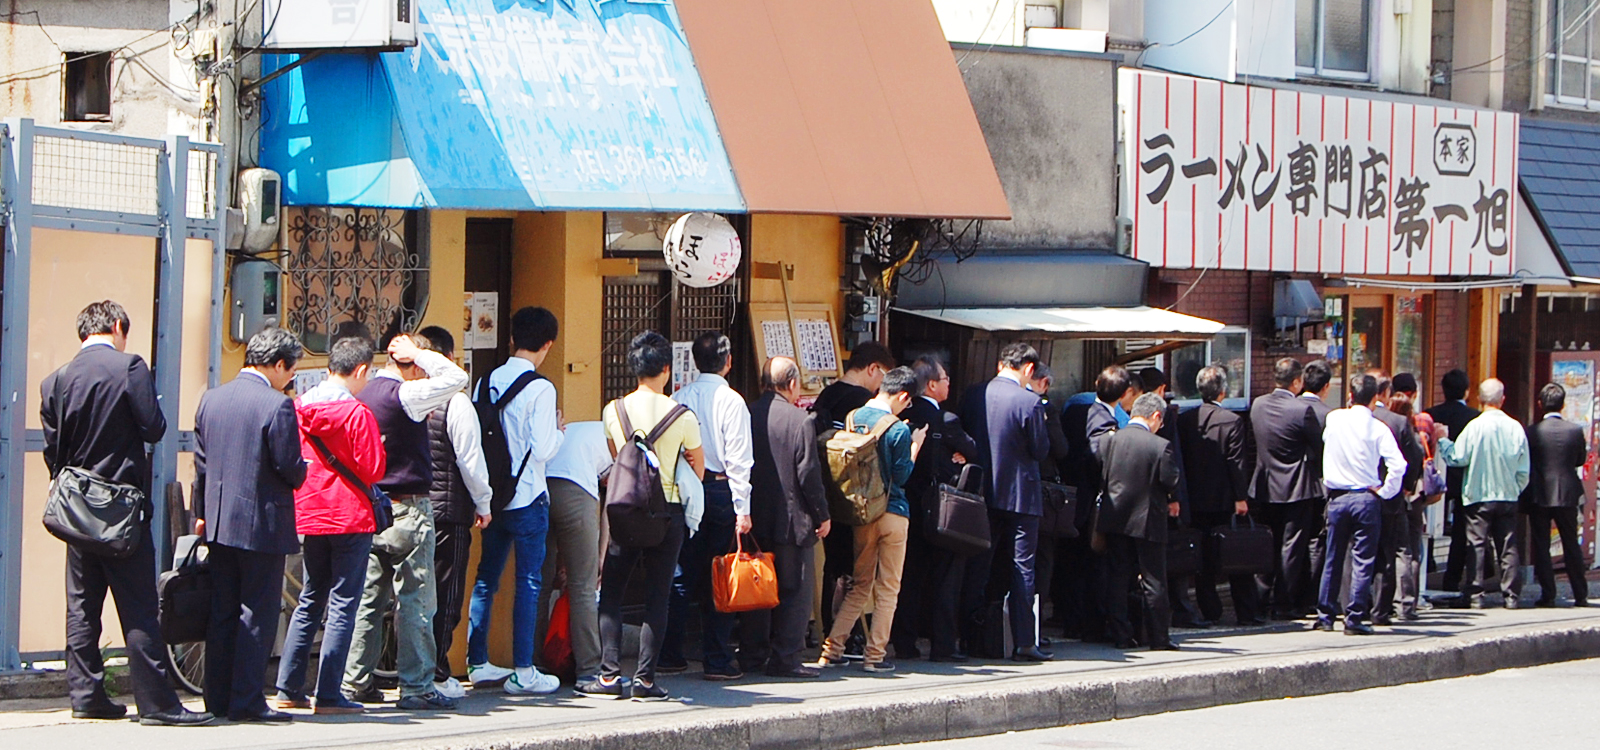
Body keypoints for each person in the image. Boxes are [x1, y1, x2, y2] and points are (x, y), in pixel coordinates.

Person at [40, 301, 212, 726]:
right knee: (137, 605)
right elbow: (154, 427)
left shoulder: (55, 381)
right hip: (120, 510)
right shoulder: (130, 367)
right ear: (117, 327)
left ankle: (86, 696)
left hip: (77, 512)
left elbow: (53, 451)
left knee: (81, 606)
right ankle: (156, 703)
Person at [345, 333, 470, 710]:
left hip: (369, 507)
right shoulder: (406, 396)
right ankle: (416, 685)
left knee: (368, 600)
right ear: (413, 366)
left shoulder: (362, 394)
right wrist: (422, 353)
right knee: (416, 598)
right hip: (408, 508)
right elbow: (455, 379)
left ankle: (355, 682)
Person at [194, 327, 309, 721]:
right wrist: (302, 470)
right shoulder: (276, 406)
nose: (290, 378)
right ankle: (246, 700)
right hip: (262, 522)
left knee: (223, 609)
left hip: (220, 520)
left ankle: (218, 698)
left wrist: (201, 514)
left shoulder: (212, 399)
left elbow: (202, 467)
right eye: (290, 371)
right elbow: (291, 469)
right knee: (256, 612)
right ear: (277, 365)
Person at [586, 331, 704, 701]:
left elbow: (615, 454)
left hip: (624, 508)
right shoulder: (683, 416)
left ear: (634, 368)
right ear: (666, 369)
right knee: (658, 596)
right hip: (666, 512)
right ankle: (645, 680)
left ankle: (608, 676)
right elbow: (698, 470)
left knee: (613, 592)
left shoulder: (613, 410)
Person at [273, 337, 384, 715]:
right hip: (351, 514)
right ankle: (330, 693)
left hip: (311, 511)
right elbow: (372, 469)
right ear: (362, 370)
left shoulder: (299, 408)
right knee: (343, 604)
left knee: (310, 598)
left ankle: (288, 686)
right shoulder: (357, 414)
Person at [464, 307, 564, 695]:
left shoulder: (484, 381)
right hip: (527, 498)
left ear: (511, 339)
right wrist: (557, 430)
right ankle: (524, 670)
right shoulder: (541, 388)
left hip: (491, 498)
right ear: (548, 344)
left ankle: (477, 662)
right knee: (528, 581)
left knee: (486, 578)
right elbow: (542, 450)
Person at [814, 366, 925, 672]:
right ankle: (875, 656)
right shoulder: (900, 430)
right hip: (893, 513)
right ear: (902, 395)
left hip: (861, 514)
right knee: (888, 587)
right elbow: (901, 476)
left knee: (859, 585)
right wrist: (915, 447)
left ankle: (831, 649)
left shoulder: (853, 418)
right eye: (908, 401)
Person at [665, 332, 754, 680]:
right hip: (720, 490)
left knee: (682, 573)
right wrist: (742, 508)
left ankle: (669, 654)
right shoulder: (732, 401)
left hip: (685, 489)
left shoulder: (679, 397)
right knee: (722, 574)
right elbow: (739, 461)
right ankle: (716, 659)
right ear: (728, 361)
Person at [412, 327, 492, 700]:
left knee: (409, 596)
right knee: (446, 594)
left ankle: (405, 670)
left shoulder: (402, 396)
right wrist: (484, 503)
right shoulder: (456, 403)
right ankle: (438, 671)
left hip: (406, 509)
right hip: (448, 512)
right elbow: (470, 460)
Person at [740, 357, 832, 677]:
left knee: (756, 586)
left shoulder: (747, 414)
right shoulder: (800, 420)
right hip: (791, 519)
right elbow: (808, 473)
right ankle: (786, 659)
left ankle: (752, 655)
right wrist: (822, 513)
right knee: (794, 590)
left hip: (752, 516)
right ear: (792, 384)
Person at [965, 344, 1052, 662]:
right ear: (1029, 369)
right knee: (1022, 567)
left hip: (982, 491)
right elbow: (1040, 450)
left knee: (978, 563)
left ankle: (970, 635)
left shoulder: (974, 394)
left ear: (1001, 363)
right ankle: (1024, 641)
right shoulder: (1030, 401)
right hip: (1020, 494)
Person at [891, 355, 980, 662]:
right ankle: (943, 644)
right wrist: (961, 454)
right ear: (931, 384)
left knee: (909, 577)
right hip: (940, 509)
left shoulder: (903, 414)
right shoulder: (947, 420)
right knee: (945, 577)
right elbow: (973, 449)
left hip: (908, 506)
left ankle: (904, 642)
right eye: (945, 380)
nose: (949, 384)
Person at [809, 341, 895, 657]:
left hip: (824, 492)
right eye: (882, 377)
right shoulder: (863, 403)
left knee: (834, 564)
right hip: (854, 495)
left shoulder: (827, 395)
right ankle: (842, 637)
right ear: (872, 369)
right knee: (851, 571)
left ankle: (830, 634)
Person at [1314, 374, 1404, 635]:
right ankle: (1354, 617)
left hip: (1337, 496)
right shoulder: (1378, 428)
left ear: (1350, 397)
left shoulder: (1334, 418)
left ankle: (1325, 615)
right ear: (1376, 399)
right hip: (1366, 496)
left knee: (1333, 556)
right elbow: (1398, 465)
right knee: (1363, 559)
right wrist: (1385, 492)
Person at [1054, 365, 1136, 644]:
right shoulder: (1106, 422)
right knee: (1093, 565)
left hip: (1070, 497)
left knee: (1072, 563)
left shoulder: (1074, 410)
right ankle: (1089, 624)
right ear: (1126, 394)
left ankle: (1072, 619)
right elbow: (1096, 459)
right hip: (1091, 501)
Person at [1098, 393, 1182, 650]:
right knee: (1153, 579)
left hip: (1114, 517)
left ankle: (1121, 635)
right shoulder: (1159, 445)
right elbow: (1170, 480)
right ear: (1155, 416)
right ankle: (1158, 638)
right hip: (1148, 518)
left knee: (1117, 576)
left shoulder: (1108, 440)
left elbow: (1103, 474)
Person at [1177, 366, 1260, 626]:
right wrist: (1241, 497)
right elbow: (1236, 463)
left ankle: (1209, 610)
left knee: (1201, 558)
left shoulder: (1184, 419)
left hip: (1193, 499)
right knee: (1235, 553)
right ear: (1223, 391)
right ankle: (1246, 612)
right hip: (1224, 499)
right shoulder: (1232, 420)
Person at [1437, 378, 1531, 609]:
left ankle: (1475, 594)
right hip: (1507, 495)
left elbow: (1457, 457)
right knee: (1508, 546)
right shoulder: (1515, 427)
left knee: (1476, 545)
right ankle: (1511, 595)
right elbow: (1524, 469)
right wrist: (1515, 488)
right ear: (1503, 400)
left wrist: (1442, 440)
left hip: (1478, 496)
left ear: (1479, 399)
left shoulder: (1475, 426)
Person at [1249, 358, 1323, 620]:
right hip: (1296, 487)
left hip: (1264, 484)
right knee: (1291, 547)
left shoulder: (1257, 404)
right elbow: (1319, 447)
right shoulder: (1301, 410)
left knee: (1265, 544)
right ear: (1296, 382)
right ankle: (1283, 602)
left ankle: (1259, 599)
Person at [538, 420, 611, 685]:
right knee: (583, 585)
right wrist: (601, 557)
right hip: (577, 492)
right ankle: (588, 670)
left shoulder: (587, 427)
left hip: (540, 488)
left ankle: (534, 665)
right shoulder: (624, 442)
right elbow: (610, 505)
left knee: (539, 584)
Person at [1138, 367, 1202, 628]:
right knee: (1172, 556)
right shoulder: (1162, 415)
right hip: (1163, 496)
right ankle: (1179, 610)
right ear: (1162, 389)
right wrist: (1176, 497)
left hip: (1139, 500)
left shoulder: (1133, 413)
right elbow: (1170, 458)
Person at [1523, 383, 1589, 608]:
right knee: (1571, 543)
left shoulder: (1532, 431)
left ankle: (1548, 594)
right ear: (1563, 405)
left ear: (1540, 404)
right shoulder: (1574, 430)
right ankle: (1581, 594)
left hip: (1540, 492)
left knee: (1541, 544)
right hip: (1568, 492)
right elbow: (1580, 459)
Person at [1369, 371, 1424, 625]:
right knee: (1400, 549)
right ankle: (1402, 604)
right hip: (1392, 496)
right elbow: (1414, 457)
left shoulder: (1346, 418)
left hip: (1362, 493)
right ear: (1385, 393)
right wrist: (1407, 487)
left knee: (1360, 550)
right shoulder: (1397, 421)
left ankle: (1355, 604)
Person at [1425, 369, 1481, 597]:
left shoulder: (1430, 414)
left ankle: (1427, 567)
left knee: (1425, 524)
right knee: (1461, 530)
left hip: (1432, 479)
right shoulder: (1474, 417)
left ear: (1443, 390)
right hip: (1462, 479)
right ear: (1466, 391)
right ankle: (1452, 578)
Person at [1388, 373, 1435, 620]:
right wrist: (1408, 486)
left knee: (1388, 548)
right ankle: (1408, 602)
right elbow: (1420, 457)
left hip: (1384, 494)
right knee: (1410, 549)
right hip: (1412, 495)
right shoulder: (1420, 423)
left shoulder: (1383, 422)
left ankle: (1386, 600)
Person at [1298, 359, 1335, 614]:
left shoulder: (1286, 406)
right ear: (1327, 387)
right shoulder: (1328, 415)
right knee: (1315, 542)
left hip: (1286, 487)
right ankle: (1310, 595)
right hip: (1318, 486)